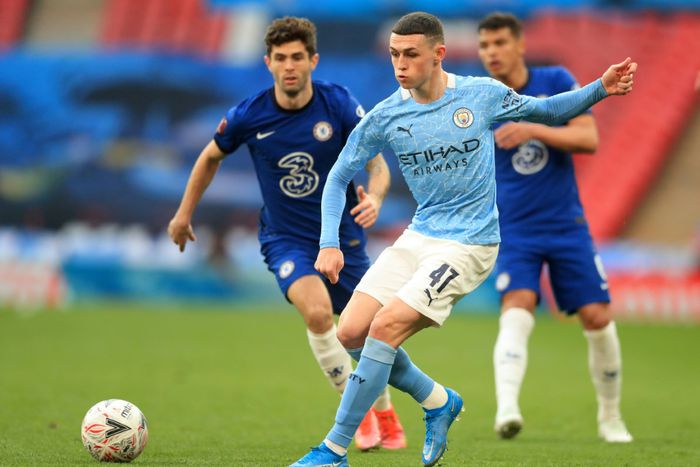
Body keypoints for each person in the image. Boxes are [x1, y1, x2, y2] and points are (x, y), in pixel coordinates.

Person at [290, 11, 636, 467]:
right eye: (394, 54)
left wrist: (601, 88)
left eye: (410, 54)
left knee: (385, 328)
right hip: (420, 234)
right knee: (350, 332)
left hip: (470, 243)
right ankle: (438, 401)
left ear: (439, 54)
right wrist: (328, 243)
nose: (400, 65)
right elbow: (337, 177)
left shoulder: (481, 94)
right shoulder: (386, 115)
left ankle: (333, 449)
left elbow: (549, 110)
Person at [167, 17, 407, 451]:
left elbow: (376, 162)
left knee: (367, 332)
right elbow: (209, 157)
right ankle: (361, 416)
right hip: (286, 239)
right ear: (268, 63)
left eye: (298, 57)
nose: (289, 66)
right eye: (281, 58)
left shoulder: (338, 104)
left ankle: (385, 412)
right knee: (317, 314)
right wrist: (184, 214)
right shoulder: (249, 114)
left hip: (343, 239)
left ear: (313, 60)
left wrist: (374, 196)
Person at [477, 12, 633, 443]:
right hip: (514, 228)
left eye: (500, 43)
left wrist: (532, 130)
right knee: (518, 305)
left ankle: (610, 417)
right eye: (485, 45)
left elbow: (588, 139)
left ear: (520, 45)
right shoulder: (481, 98)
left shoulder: (555, 80)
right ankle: (507, 409)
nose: (492, 52)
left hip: (565, 223)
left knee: (597, 316)